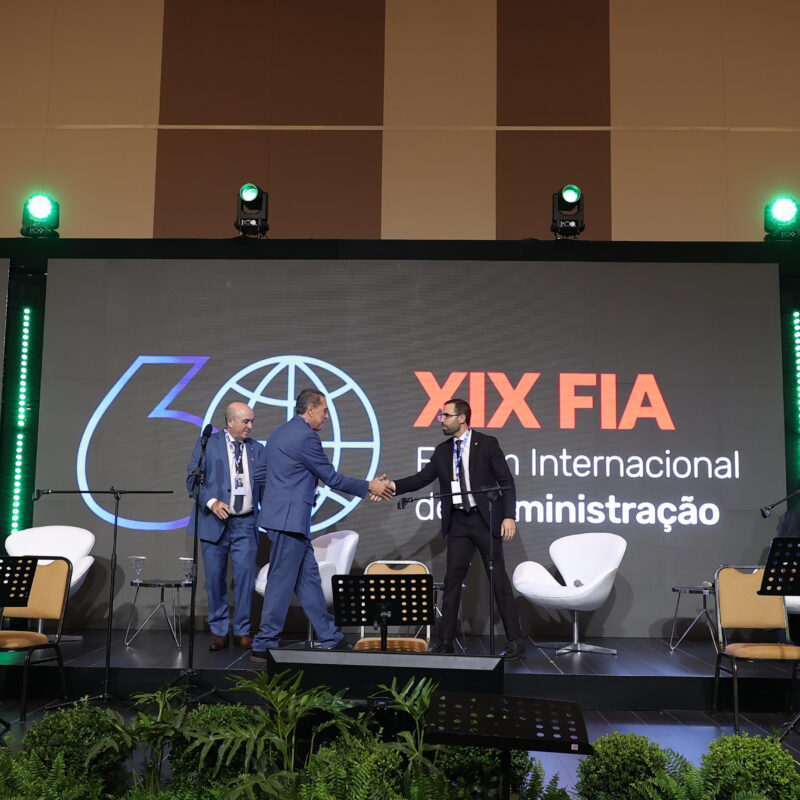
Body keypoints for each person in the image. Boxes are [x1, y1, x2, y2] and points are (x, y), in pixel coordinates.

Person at [250, 388, 394, 660]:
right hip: (289, 520)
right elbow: (332, 478)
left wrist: (279, 495)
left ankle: (329, 636)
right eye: (324, 410)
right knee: (280, 582)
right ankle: (264, 642)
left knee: (308, 580)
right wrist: (370, 486)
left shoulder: (280, 432)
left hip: (284, 519)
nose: (326, 416)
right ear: (310, 410)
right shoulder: (307, 437)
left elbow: (260, 474)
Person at [387, 398, 525, 659]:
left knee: (498, 581)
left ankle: (515, 640)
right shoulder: (442, 451)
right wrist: (392, 486)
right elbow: (421, 478)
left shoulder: (487, 443)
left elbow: (506, 481)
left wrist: (509, 516)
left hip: (485, 520)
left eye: (446, 415)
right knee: (452, 581)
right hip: (459, 522)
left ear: (462, 418)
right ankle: (445, 640)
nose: (441, 420)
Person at [186, 402, 263, 651]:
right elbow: (192, 481)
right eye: (246, 421)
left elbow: (268, 485)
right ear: (230, 421)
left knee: (245, 579)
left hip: (246, 523)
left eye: (252, 421)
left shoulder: (257, 449)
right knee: (215, 579)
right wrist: (212, 502)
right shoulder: (208, 444)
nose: (250, 426)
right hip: (214, 522)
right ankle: (219, 630)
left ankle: (242, 630)